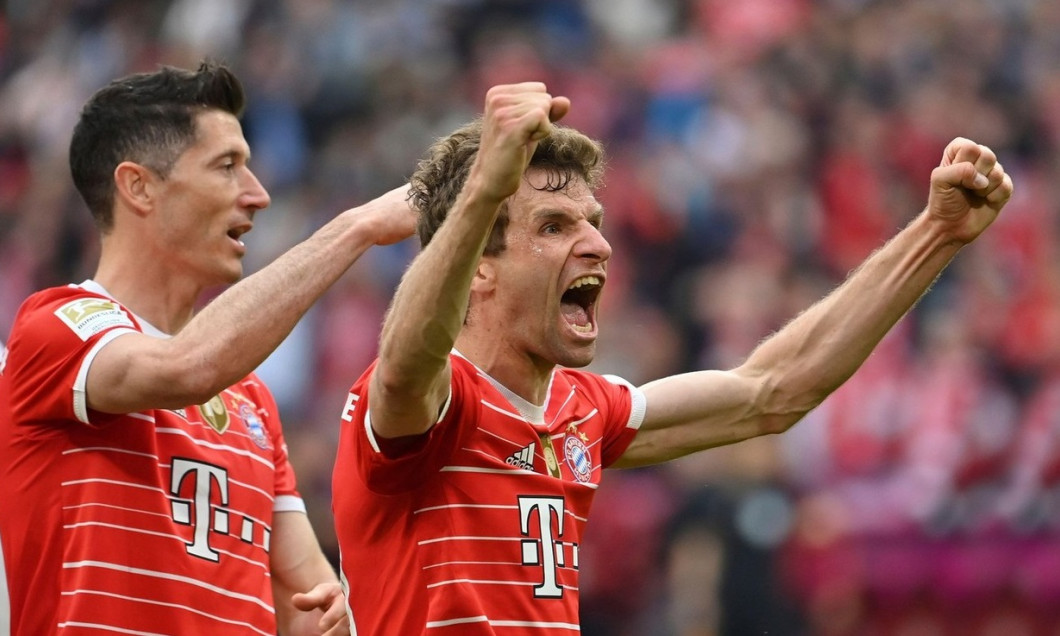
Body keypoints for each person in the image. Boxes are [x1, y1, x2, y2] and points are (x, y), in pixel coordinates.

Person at [330, 82, 1014, 634]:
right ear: (478, 265)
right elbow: (405, 359)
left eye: (593, 223)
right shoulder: (425, 405)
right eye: (553, 226)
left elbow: (772, 391)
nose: (597, 245)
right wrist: (483, 190)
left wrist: (936, 234)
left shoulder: (582, 410)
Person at [0, 61, 416, 635]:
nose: (258, 195)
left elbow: (313, 605)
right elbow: (186, 367)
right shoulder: (56, 328)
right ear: (138, 186)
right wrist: (356, 229)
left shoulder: (251, 401)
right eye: (228, 167)